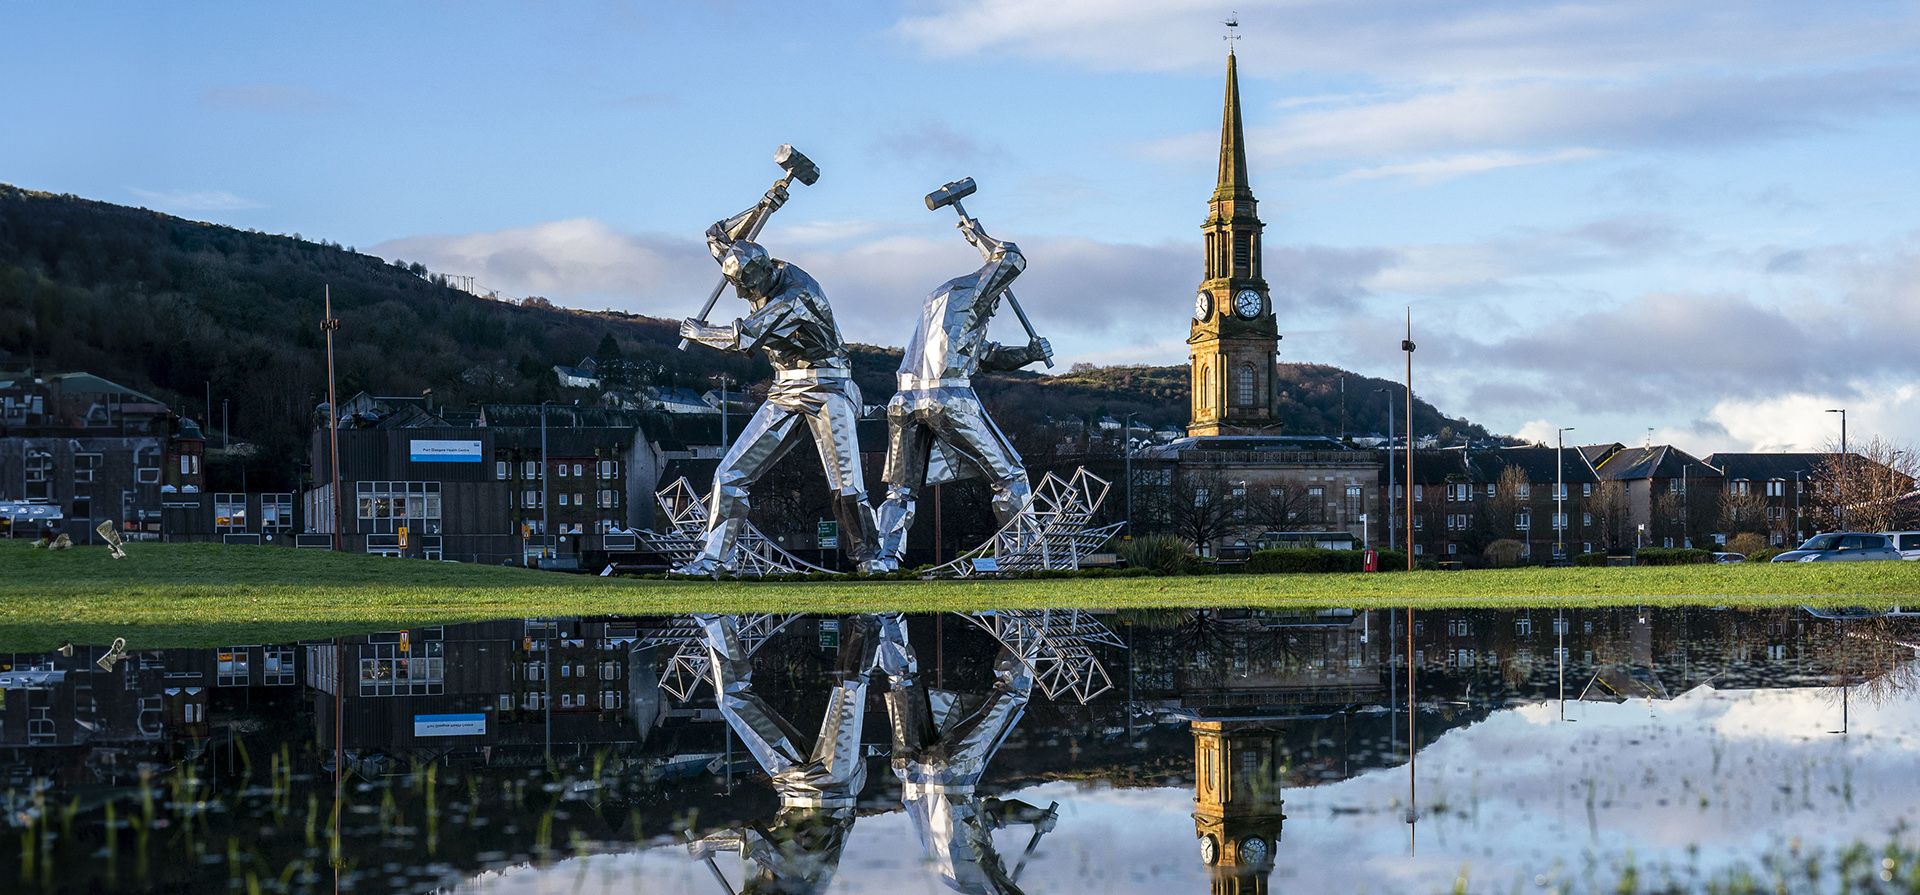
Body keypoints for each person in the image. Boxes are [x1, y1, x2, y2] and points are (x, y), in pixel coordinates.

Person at [678, 189, 880, 574]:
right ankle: (712, 561)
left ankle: (871, 558)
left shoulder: (795, 296)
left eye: (746, 287)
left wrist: (700, 331)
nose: (740, 294)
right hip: (785, 388)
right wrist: (762, 205)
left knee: (847, 486)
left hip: (828, 387)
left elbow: (744, 338)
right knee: (730, 473)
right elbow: (716, 235)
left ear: (764, 274)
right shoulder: (753, 268)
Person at [872, 217, 1050, 570]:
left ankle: (883, 558)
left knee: (900, 489)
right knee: (1009, 475)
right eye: (993, 299)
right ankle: (1025, 555)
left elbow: (986, 355)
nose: (994, 307)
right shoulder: (969, 293)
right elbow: (1012, 259)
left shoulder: (937, 306)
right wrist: (980, 239)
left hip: (903, 401)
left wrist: (1028, 354)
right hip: (948, 397)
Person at [683, 614, 874, 893]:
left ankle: (717, 621)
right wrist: (707, 843)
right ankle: (870, 619)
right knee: (849, 693)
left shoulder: (760, 883)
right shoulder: (803, 886)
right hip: (833, 786)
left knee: (732, 702)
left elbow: (751, 842)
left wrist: (712, 844)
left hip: (790, 782)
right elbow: (753, 837)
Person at [873, 614, 1057, 893]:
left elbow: (999, 888)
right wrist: (1033, 815)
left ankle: (1028, 619)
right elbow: (991, 813)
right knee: (902, 681)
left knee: (1012, 695)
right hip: (911, 773)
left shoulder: (973, 882)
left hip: (952, 773)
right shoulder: (951, 870)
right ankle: (884, 604)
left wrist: (1037, 818)